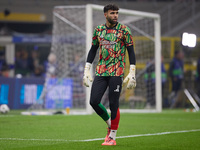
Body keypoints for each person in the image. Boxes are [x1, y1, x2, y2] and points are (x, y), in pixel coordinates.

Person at [83, 4, 136, 146]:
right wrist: (87, 69)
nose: (115, 16)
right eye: (112, 13)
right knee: (93, 101)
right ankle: (109, 124)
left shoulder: (124, 30)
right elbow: (93, 49)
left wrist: (132, 72)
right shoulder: (98, 30)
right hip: (101, 70)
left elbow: (131, 52)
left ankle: (112, 136)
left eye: (117, 13)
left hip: (117, 71)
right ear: (105, 14)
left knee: (114, 103)